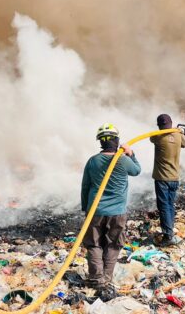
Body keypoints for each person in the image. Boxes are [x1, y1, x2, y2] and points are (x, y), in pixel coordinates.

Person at [81, 123, 141, 290]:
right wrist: (131, 153)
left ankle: (96, 277)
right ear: (117, 140)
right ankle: (106, 277)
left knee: (94, 244)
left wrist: (86, 208)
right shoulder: (123, 161)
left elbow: (85, 186)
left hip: (96, 210)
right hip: (117, 212)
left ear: (100, 142)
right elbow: (137, 170)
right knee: (113, 244)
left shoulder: (93, 161)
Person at [150, 114, 185, 246]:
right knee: (170, 205)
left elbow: (151, 138)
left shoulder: (158, 137)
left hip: (162, 178)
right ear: (171, 123)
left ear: (159, 126)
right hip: (174, 178)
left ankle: (168, 235)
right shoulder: (178, 136)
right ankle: (170, 231)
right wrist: (179, 132)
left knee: (164, 206)